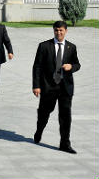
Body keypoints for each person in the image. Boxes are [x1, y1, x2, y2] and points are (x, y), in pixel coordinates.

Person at [32, 21, 81, 154]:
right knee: (44, 112)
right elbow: (37, 66)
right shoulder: (44, 46)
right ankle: (39, 131)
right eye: (56, 30)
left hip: (66, 88)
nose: (58, 33)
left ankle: (65, 143)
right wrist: (36, 86)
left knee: (65, 116)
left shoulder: (71, 47)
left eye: (61, 30)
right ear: (53, 31)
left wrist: (71, 67)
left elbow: (77, 64)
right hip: (48, 87)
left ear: (66, 31)